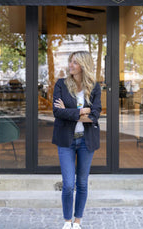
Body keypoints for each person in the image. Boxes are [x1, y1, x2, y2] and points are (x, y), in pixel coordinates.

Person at [52, 51, 102, 229]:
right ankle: (67, 222)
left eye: (74, 62)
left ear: (83, 65)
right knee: (68, 184)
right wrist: (82, 111)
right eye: (70, 62)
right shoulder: (61, 84)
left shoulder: (94, 87)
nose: (70, 65)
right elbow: (57, 112)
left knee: (81, 182)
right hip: (66, 140)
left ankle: (78, 221)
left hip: (86, 140)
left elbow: (96, 114)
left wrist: (71, 112)